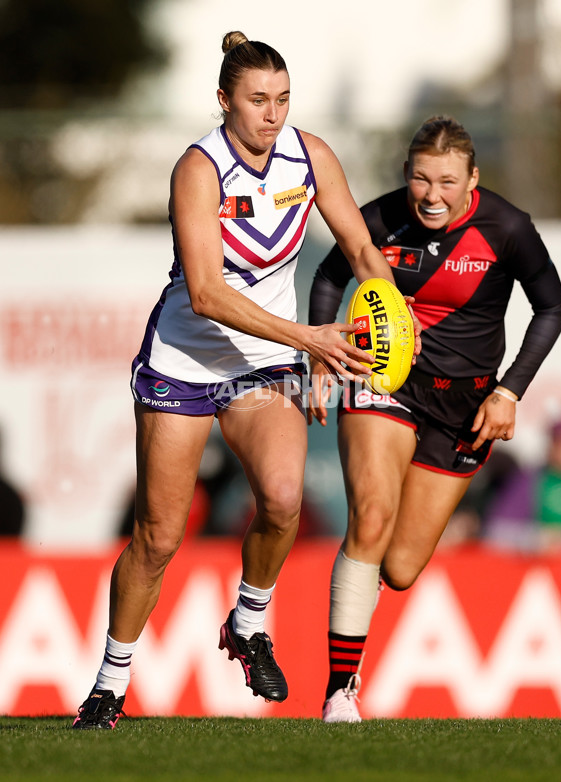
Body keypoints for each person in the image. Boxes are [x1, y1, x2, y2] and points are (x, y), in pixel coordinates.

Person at [72, 30, 413, 730]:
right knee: (160, 537)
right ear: (223, 100)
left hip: (263, 365)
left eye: (283, 100)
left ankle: (248, 621)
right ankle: (109, 685)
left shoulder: (310, 155)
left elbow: (357, 247)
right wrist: (310, 340)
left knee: (284, 499)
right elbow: (205, 292)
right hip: (188, 361)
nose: (273, 115)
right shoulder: (199, 169)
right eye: (258, 100)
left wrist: (392, 320)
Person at [308, 115, 561, 722]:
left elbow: (552, 307)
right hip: (385, 382)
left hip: (466, 408)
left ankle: (358, 598)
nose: (431, 195)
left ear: (472, 178)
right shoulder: (381, 215)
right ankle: (340, 691)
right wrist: (318, 350)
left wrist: (510, 392)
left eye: (447, 181)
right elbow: (329, 273)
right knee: (370, 517)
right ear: (407, 175)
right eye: (421, 179)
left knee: (397, 568)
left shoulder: (508, 228)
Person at [485, 418, 561, 551]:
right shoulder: (531, 480)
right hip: (553, 565)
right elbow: (497, 529)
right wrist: (536, 538)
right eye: (558, 443)